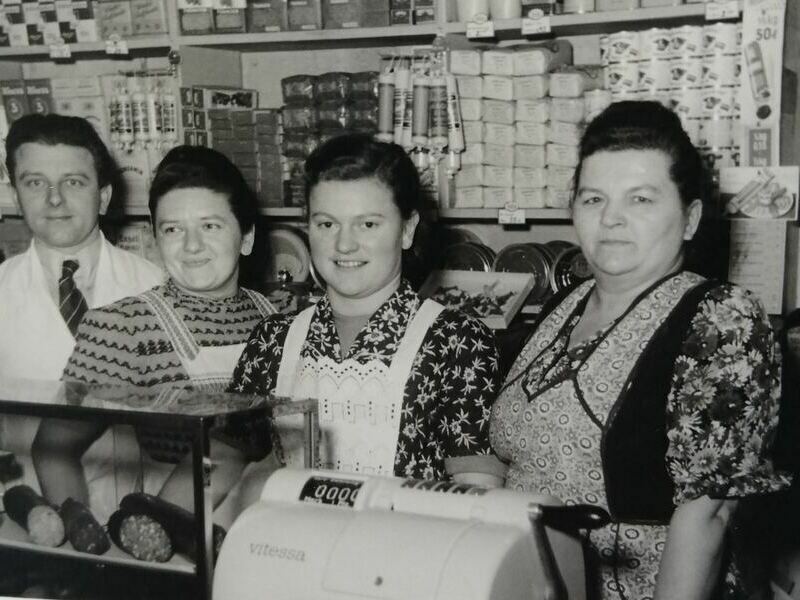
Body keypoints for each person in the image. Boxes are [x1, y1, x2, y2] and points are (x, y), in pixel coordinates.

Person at [489, 101, 791, 600]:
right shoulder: (565, 303)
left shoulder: (722, 319)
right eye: (593, 200)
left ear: (690, 218)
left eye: (641, 200)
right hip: (532, 582)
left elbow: (709, 512)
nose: (611, 219)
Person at [31, 146, 277, 549]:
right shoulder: (123, 326)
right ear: (156, 239)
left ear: (246, 237)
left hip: (280, 542)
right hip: (180, 549)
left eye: (211, 226)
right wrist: (83, 545)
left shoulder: (286, 316)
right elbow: (51, 449)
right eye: (173, 229)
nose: (191, 246)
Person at [230, 134, 503, 485]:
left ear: (407, 229)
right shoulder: (273, 339)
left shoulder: (458, 343)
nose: (344, 244)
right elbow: (223, 458)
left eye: (368, 224)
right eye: (327, 224)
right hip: (292, 538)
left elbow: (476, 490)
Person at [0, 113, 163, 382]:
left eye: (73, 182)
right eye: (35, 183)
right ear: (17, 198)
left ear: (103, 197)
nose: (54, 198)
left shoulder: (156, 286)